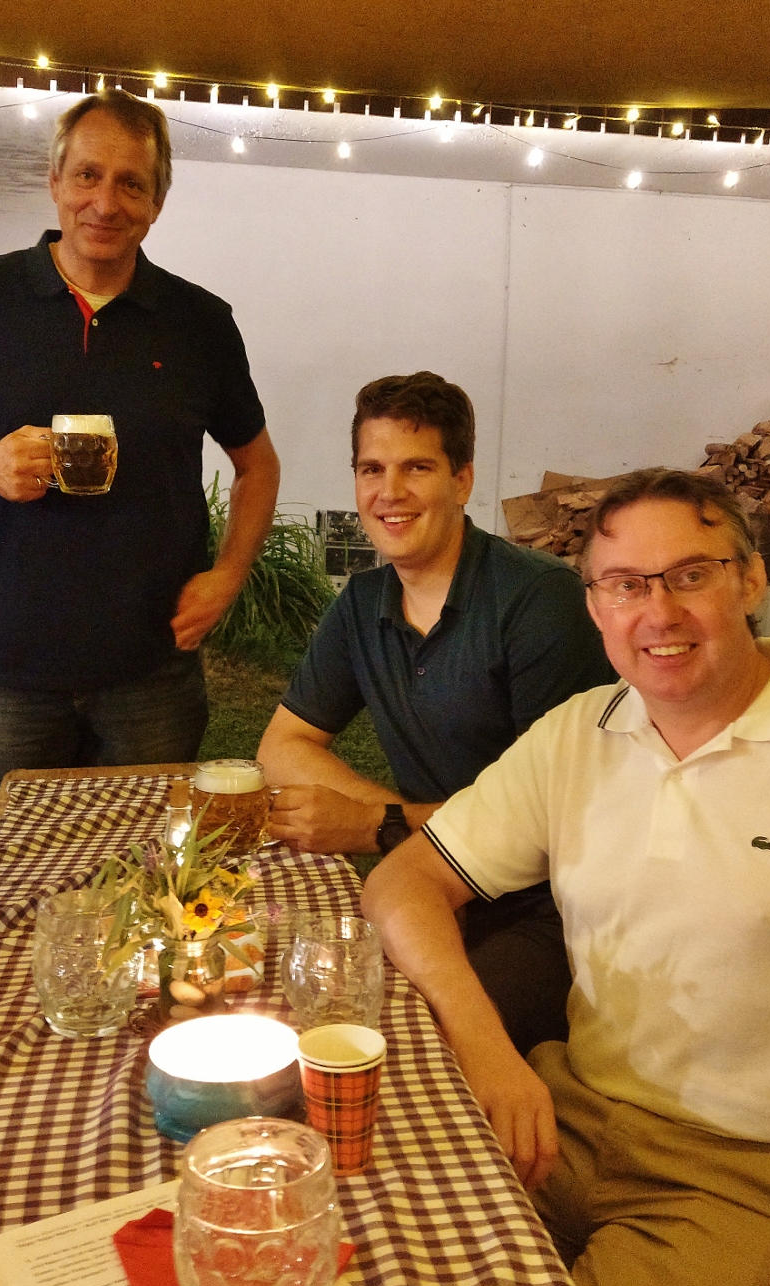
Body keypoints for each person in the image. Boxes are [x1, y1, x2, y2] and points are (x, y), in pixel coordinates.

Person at [361, 466, 770, 1286]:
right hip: (569, 1114)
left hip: (760, 1173)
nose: (658, 611)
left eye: (691, 575)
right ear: (594, 606)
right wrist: (489, 1048)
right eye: (625, 584)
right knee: (354, 1251)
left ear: (752, 580)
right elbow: (404, 882)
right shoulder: (580, 731)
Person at [0, 89, 281, 838]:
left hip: (155, 668)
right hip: (17, 668)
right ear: (56, 182)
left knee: (153, 865)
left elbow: (258, 465)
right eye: (88, 176)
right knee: (9, 868)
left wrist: (227, 576)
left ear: (157, 202)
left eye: (131, 183)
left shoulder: (200, 323)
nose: (106, 202)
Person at [258, 371, 611, 1052]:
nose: (389, 492)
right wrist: (405, 832)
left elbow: (560, 819)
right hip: (435, 889)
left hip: (553, 910)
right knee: (296, 996)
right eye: (372, 469)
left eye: (416, 467)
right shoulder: (364, 602)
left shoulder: (537, 601)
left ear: (462, 480)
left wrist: (378, 825)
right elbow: (282, 746)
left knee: (413, 1039)